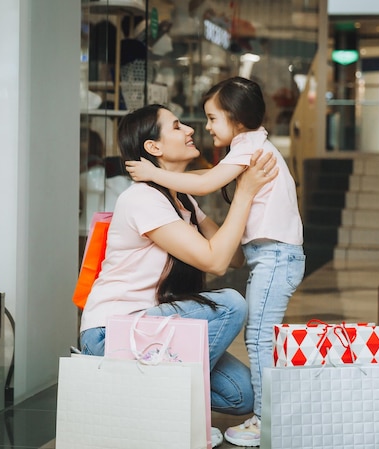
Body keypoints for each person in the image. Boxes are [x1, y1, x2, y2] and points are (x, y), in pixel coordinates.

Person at [79, 104, 278, 448]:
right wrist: (244, 193)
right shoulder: (143, 198)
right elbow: (214, 262)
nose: (189, 129)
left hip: (151, 331)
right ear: (153, 148)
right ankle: (171, 411)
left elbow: (233, 258)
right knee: (230, 304)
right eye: (175, 126)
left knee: (242, 394)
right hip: (111, 334)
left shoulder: (182, 199)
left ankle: (153, 399)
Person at [125, 76, 306, 447]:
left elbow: (207, 184)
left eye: (212, 118)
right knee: (259, 339)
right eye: (185, 124)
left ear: (236, 118)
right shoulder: (251, 145)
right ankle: (249, 414)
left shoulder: (249, 147)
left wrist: (152, 172)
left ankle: (266, 421)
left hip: (274, 256)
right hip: (269, 256)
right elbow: (231, 251)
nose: (203, 128)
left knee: (259, 340)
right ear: (153, 145)